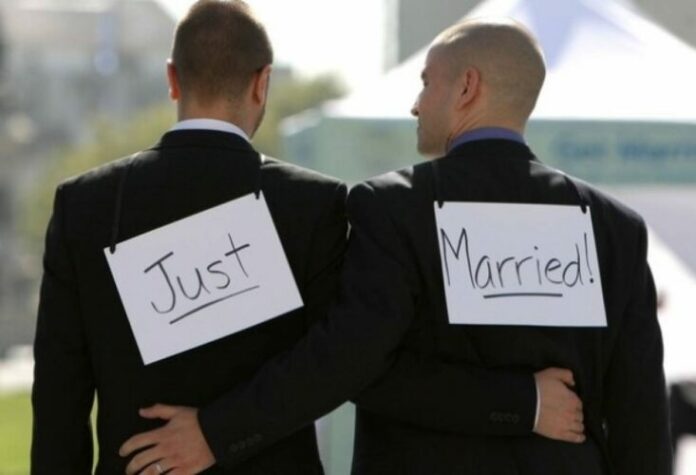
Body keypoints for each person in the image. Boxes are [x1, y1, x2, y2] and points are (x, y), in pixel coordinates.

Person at [119, 18, 665, 475]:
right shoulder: (615, 228)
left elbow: (354, 365)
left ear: (467, 88)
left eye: (426, 83)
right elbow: (641, 414)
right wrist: (528, 403)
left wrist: (216, 433)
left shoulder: (392, 207)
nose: (415, 105)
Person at [31, 1, 349, 473]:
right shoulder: (314, 205)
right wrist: (224, 431)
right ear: (262, 82)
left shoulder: (85, 204)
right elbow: (331, 366)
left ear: (172, 78)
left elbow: (59, 397)